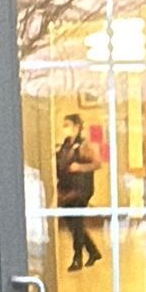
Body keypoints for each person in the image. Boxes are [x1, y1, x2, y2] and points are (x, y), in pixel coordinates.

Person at [55, 113, 101, 271]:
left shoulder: (84, 145)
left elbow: (97, 163)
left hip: (80, 190)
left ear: (76, 127)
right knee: (74, 224)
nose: (64, 129)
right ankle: (93, 251)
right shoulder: (66, 145)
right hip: (66, 189)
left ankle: (77, 258)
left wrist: (80, 167)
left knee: (76, 222)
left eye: (67, 125)